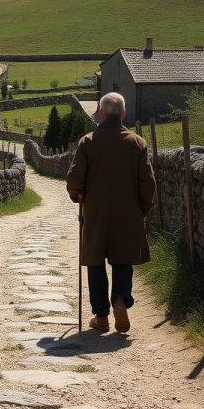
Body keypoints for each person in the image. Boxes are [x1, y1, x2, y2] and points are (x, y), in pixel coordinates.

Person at [66, 92, 156, 333]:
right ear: (123, 114)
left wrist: (77, 194)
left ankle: (101, 316)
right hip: (128, 213)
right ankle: (119, 300)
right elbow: (148, 183)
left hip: (95, 212)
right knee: (122, 259)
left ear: (102, 113)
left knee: (94, 261)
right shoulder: (137, 143)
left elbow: (75, 178)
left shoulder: (88, 141)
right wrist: (142, 210)